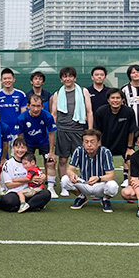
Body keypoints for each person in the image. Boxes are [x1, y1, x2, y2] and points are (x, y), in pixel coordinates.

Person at [49, 66, 93, 198]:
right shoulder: (57, 94)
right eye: (65, 76)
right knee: (63, 160)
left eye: (70, 76)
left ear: (74, 78)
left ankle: (86, 185)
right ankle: (64, 186)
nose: (67, 79)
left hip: (79, 130)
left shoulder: (83, 91)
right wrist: (52, 131)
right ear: (61, 79)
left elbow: (89, 112)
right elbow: (54, 114)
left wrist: (90, 131)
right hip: (63, 131)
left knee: (83, 160)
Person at [61, 129, 118, 213]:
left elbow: (111, 175)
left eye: (92, 142)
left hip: (100, 184)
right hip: (84, 183)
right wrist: (72, 175)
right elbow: (69, 169)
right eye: (86, 142)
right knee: (65, 180)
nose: (89, 145)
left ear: (98, 143)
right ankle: (81, 197)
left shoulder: (105, 152)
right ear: (83, 143)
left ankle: (106, 199)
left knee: (112, 186)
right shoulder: (78, 151)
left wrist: (98, 178)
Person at [93, 88, 137, 188]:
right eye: (112, 98)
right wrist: (99, 147)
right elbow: (97, 132)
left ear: (122, 100)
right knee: (99, 163)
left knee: (132, 162)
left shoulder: (129, 112)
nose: (115, 100)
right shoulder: (101, 111)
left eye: (118, 98)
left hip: (124, 145)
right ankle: (100, 184)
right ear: (108, 100)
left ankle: (130, 186)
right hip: (106, 144)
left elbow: (131, 131)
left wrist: (129, 147)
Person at [0, 139, 51, 213]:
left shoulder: (29, 161)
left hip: (30, 191)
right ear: (13, 148)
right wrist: (28, 180)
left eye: (22, 148)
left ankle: (23, 206)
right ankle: (32, 205)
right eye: (17, 147)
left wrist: (42, 176)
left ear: (26, 148)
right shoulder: (8, 164)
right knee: (9, 201)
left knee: (46, 193)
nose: (20, 150)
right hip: (15, 193)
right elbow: (9, 185)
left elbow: (38, 174)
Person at [16, 94, 56, 192]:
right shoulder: (22, 118)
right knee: (27, 164)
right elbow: (20, 135)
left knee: (51, 162)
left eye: (38, 106)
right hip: (29, 143)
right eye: (33, 106)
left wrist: (51, 152)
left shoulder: (47, 116)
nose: (36, 109)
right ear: (28, 106)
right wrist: (22, 149)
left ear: (42, 106)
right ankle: (29, 184)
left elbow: (51, 133)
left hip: (44, 142)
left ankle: (50, 187)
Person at [0, 67, 26, 139]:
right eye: (5, 79)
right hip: (1, 130)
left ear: (14, 79)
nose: (7, 81)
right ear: (1, 80)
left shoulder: (21, 95)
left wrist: (22, 129)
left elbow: (23, 115)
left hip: (17, 131)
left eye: (9, 78)